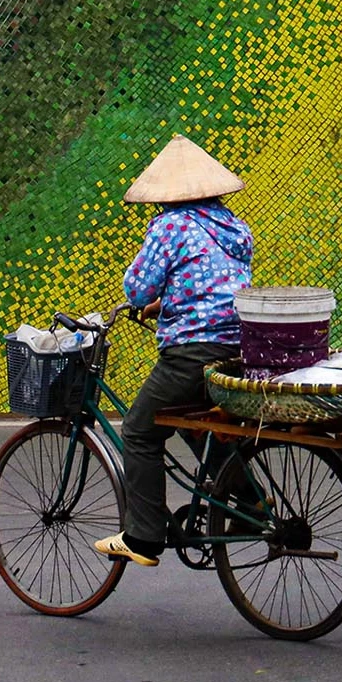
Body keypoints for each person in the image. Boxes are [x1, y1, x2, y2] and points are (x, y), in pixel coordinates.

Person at [93, 135, 253, 567]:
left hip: (192, 353)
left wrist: (148, 298)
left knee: (140, 431)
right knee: (192, 422)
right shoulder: (234, 226)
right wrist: (169, 302)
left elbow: (137, 287)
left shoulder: (170, 226)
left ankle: (142, 537)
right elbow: (213, 286)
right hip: (238, 348)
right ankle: (252, 504)